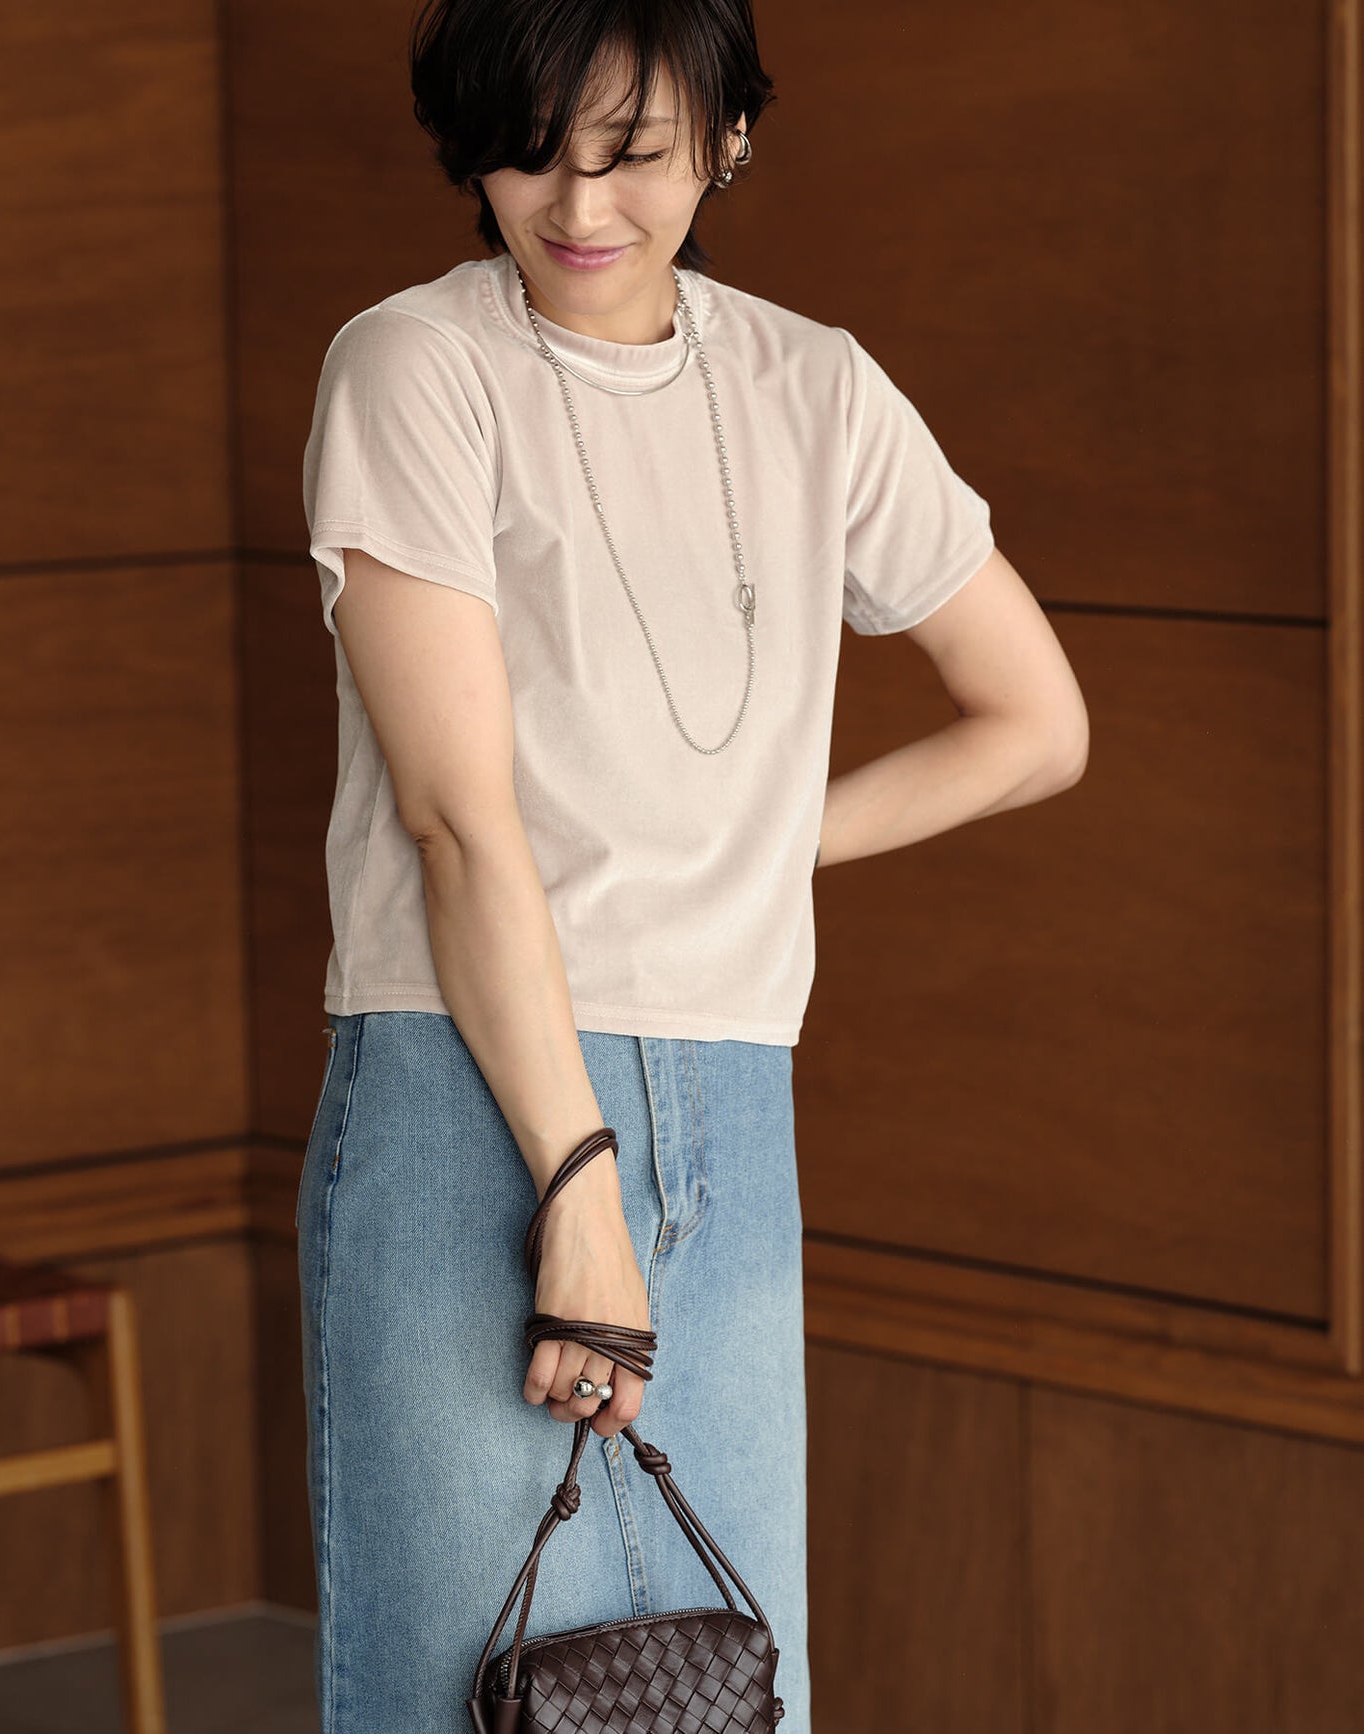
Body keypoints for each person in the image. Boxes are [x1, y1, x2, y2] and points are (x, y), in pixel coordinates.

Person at [295, 2, 1089, 1729]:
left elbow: (1035, 726)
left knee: (716, 1695)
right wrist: (578, 1189)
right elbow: (453, 821)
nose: (578, 205)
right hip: (472, 1098)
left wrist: (755, 840)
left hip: (729, 1100)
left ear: (727, 137)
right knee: (462, 1689)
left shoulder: (814, 387)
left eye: (633, 152)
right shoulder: (413, 367)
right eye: (529, 155)